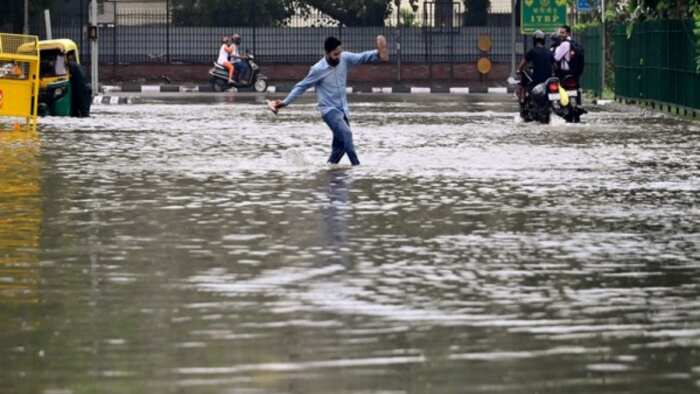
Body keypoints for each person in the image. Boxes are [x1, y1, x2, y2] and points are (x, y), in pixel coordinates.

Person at [268, 35, 389, 166]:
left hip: (343, 110)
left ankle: (330, 170)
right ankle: (357, 167)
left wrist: (377, 53)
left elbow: (361, 57)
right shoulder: (318, 69)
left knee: (341, 147)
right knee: (346, 134)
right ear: (327, 53)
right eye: (335, 54)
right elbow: (301, 86)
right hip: (329, 111)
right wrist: (285, 102)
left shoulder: (344, 58)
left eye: (340, 53)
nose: (338, 57)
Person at [516, 30, 554, 114]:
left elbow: (522, 65)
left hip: (536, 81)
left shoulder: (532, 51)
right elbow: (555, 66)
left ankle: (524, 107)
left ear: (534, 40)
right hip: (548, 81)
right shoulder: (549, 52)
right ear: (543, 40)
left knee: (526, 89)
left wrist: (519, 71)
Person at [66, 52, 91, 117]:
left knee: (83, 112)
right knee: (83, 111)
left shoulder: (72, 65)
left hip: (83, 90)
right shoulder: (76, 65)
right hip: (84, 89)